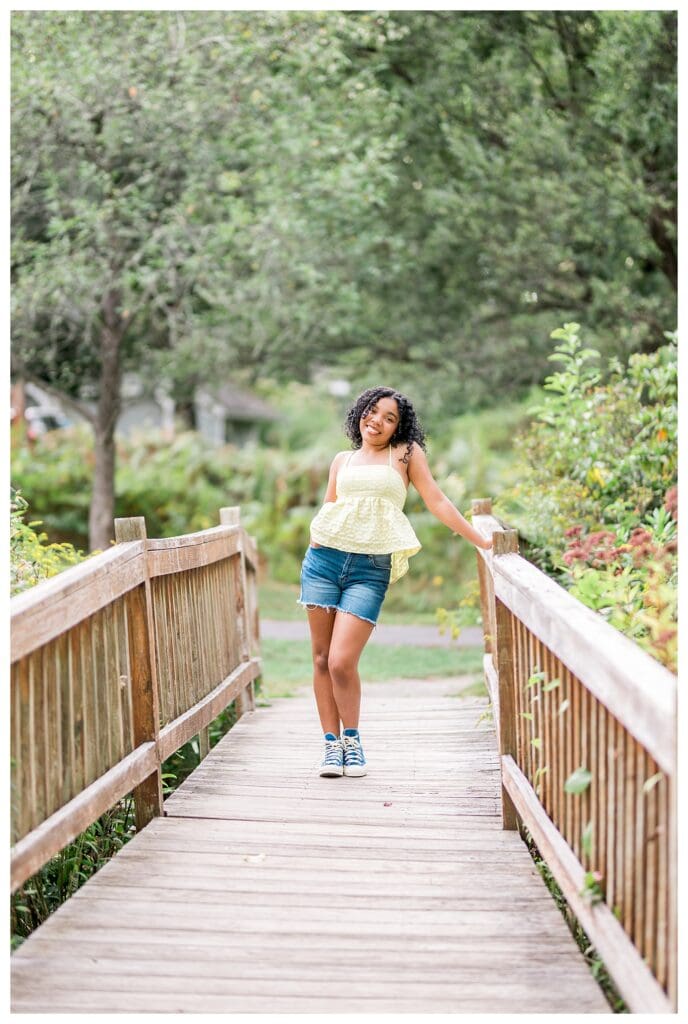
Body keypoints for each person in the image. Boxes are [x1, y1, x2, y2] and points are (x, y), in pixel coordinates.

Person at [298, 385, 493, 778]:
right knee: (321, 658)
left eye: (390, 418)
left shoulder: (405, 455)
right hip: (323, 561)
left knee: (341, 661)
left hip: (370, 568)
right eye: (372, 412)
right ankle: (331, 746)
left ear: (398, 428)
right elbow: (329, 507)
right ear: (359, 415)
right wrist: (315, 538)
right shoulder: (343, 460)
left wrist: (483, 542)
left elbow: (436, 500)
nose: (378, 421)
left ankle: (352, 741)